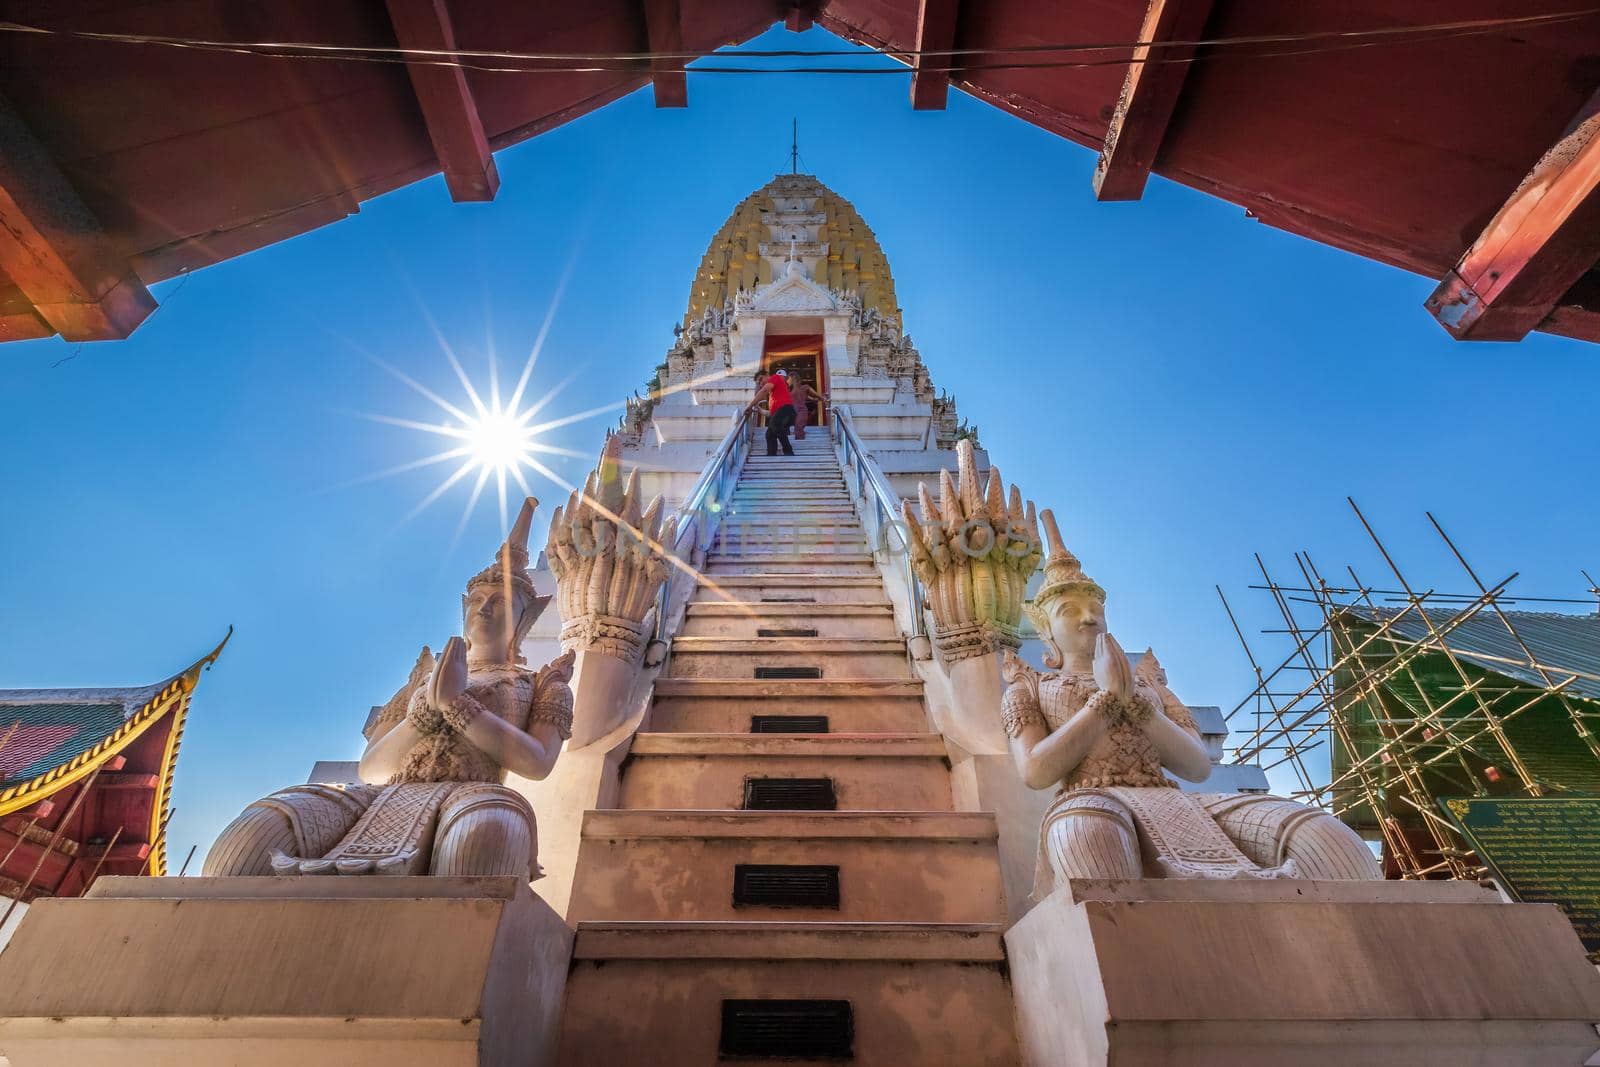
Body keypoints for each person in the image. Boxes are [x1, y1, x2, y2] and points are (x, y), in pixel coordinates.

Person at [746, 368, 796, 456]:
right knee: (769, 434)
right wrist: (759, 409)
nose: (761, 383)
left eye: (761, 379)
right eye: (759, 383)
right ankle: (771, 455)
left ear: (766, 375)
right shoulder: (774, 396)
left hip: (786, 410)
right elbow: (771, 414)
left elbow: (764, 391)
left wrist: (750, 406)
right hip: (784, 412)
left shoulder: (775, 377)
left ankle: (788, 451)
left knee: (775, 425)